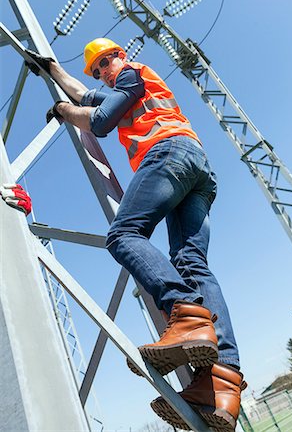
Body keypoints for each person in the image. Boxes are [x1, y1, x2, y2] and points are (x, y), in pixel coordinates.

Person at [4, 39, 247, 431]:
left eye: (104, 63)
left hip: (169, 154)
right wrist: (52, 70)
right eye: (97, 69)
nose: (102, 71)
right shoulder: (126, 84)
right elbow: (87, 95)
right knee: (191, 261)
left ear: (120, 56)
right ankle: (222, 382)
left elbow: (100, 121)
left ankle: (186, 314)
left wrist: (65, 111)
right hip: (197, 168)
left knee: (123, 235)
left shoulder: (131, 74)